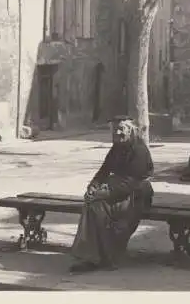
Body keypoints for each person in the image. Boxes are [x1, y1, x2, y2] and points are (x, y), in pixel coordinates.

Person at [69, 116, 154, 273]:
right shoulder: (117, 147)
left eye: (122, 128)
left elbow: (133, 182)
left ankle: (97, 256)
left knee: (98, 206)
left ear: (131, 130)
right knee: (92, 203)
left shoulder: (139, 150)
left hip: (135, 195)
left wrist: (105, 193)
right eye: (115, 129)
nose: (118, 132)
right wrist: (93, 186)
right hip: (118, 191)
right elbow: (103, 171)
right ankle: (92, 255)